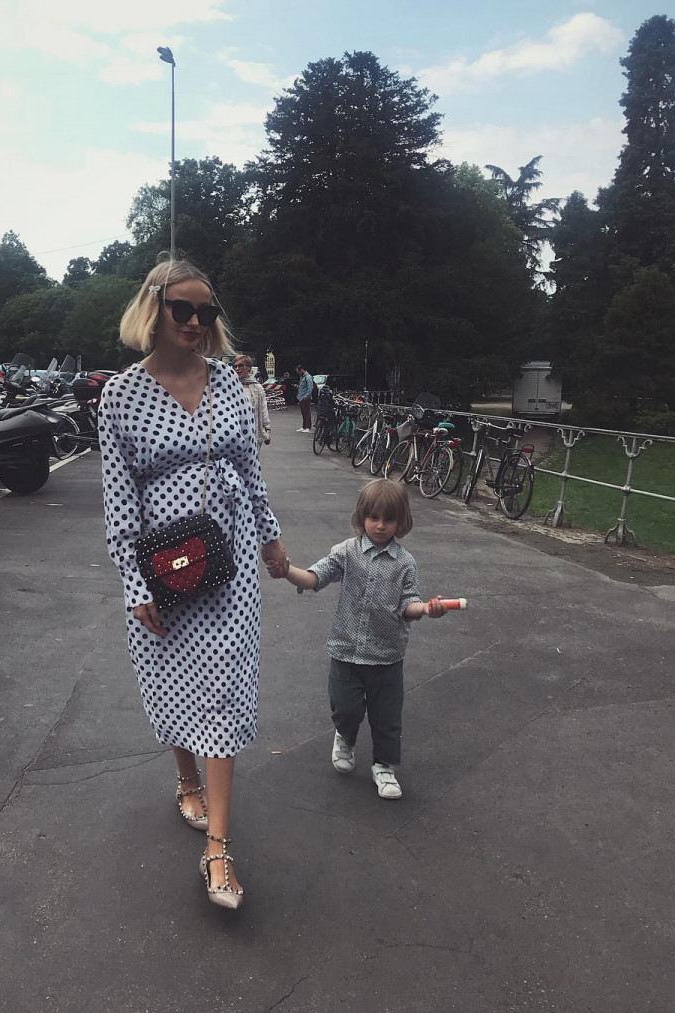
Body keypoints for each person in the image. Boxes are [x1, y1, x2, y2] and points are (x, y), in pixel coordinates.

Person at [98, 255, 287, 910]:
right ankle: (186, 779)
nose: (196, 321)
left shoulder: (228, 381)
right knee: (174, 677)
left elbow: (251, 471)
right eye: (183, 308)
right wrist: (135, 584)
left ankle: (218, 848)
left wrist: (270, 537)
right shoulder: (121, 395)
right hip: (163, 569)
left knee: (223, 687)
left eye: (206, 311)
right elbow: (119, 506)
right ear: (154, 309)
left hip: (228, 563)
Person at [267, 479, 447, 800]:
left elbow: (408, 603)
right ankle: (345, 736)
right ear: (362, 516)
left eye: (389, 519)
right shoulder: (347, 552)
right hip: (346, 650)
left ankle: (384, 766)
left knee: (387, 716)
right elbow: (314, 577)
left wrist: (425, 609)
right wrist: (287, 571)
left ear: (400, 522)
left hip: (387, 655)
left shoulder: (405, 563)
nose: (380, 525)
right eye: (373, 517)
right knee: (346, 709)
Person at [233, 354, 271, 450]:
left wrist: (267, 429)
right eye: (235, 366)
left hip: (253, 432)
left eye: (241, 365)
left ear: (249, 368)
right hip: (235, 432)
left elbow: (263, 409)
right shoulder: (231, 386)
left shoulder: (257, 387)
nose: (237, 369)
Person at [295, 365, 313, 432]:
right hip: (301, 397)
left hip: (305, 398)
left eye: (298, 371)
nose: (298, 373)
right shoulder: (302, 377)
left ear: (301, 370)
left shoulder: (308, 377)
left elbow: (310, 388)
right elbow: (302, 386)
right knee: (303, 412)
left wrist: (306, 396)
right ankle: (304, 426)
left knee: (307, 412)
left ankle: (308, 427)